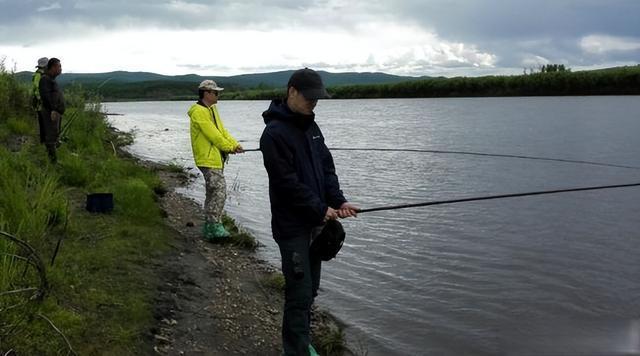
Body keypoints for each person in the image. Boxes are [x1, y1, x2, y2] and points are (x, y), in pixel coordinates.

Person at [259, 68, 359, 356]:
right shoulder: (273, 134)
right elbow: (286, 183)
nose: (314, 103)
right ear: (292, 91)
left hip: (317, 223)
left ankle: (301, 343)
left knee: (311, 288)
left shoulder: (313, 128)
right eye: (309, 98)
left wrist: (339, 202)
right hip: (292, 228)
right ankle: (296, 350)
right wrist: (319, 208)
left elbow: (327, 169)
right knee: (299, 293)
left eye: (317, 98)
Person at [188, 80, 243, 241]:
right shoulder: (199, 112)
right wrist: (228, 147)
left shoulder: (212, 109)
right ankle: (215, 226)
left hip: (215, 158)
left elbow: (222, 131)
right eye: (216, 92)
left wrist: (234, 144)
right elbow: (213, 135)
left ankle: (210, 227)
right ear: (206, 93)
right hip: (207, 159)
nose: (218, 95)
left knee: (212, 191)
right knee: (219, 191)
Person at [38, 57, 65, 163]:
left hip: (55, 112)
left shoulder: (51, 79)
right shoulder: (45, 79)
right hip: (50, 112)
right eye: (59, 66)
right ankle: (53, 163)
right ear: (53, 67)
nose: (61, 69)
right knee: (50, 137)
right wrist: (53, 109)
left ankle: (53, 160)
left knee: (54, 135)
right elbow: (46, 96)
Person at [32, 57, 48, 143]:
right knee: (42, 121)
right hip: (40, 102)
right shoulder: (39, 75)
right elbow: (37, 88)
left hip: (41, 101)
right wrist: (41, 99)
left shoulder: (40, 74)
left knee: (43, 121)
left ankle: (44, 139)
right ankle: (43, 140)